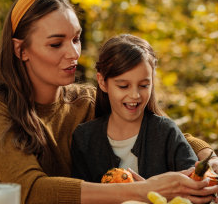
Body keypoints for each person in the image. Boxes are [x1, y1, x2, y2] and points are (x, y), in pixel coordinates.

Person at [0, 0, 218, 204]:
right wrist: (145, 190)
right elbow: (31, 192)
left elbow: (155, 127)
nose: (73, 53)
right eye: (56, 44)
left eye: (76, 39)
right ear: (21, 50)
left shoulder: (85, 100)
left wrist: (209, 157)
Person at [71, 34, 197, 182]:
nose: (135, 95)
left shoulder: (166, 132)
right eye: (123, 86)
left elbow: (198, 183)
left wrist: (154, 193)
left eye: (144, 85)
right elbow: (82, 197)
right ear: (102, 82)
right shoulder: (84, 138)